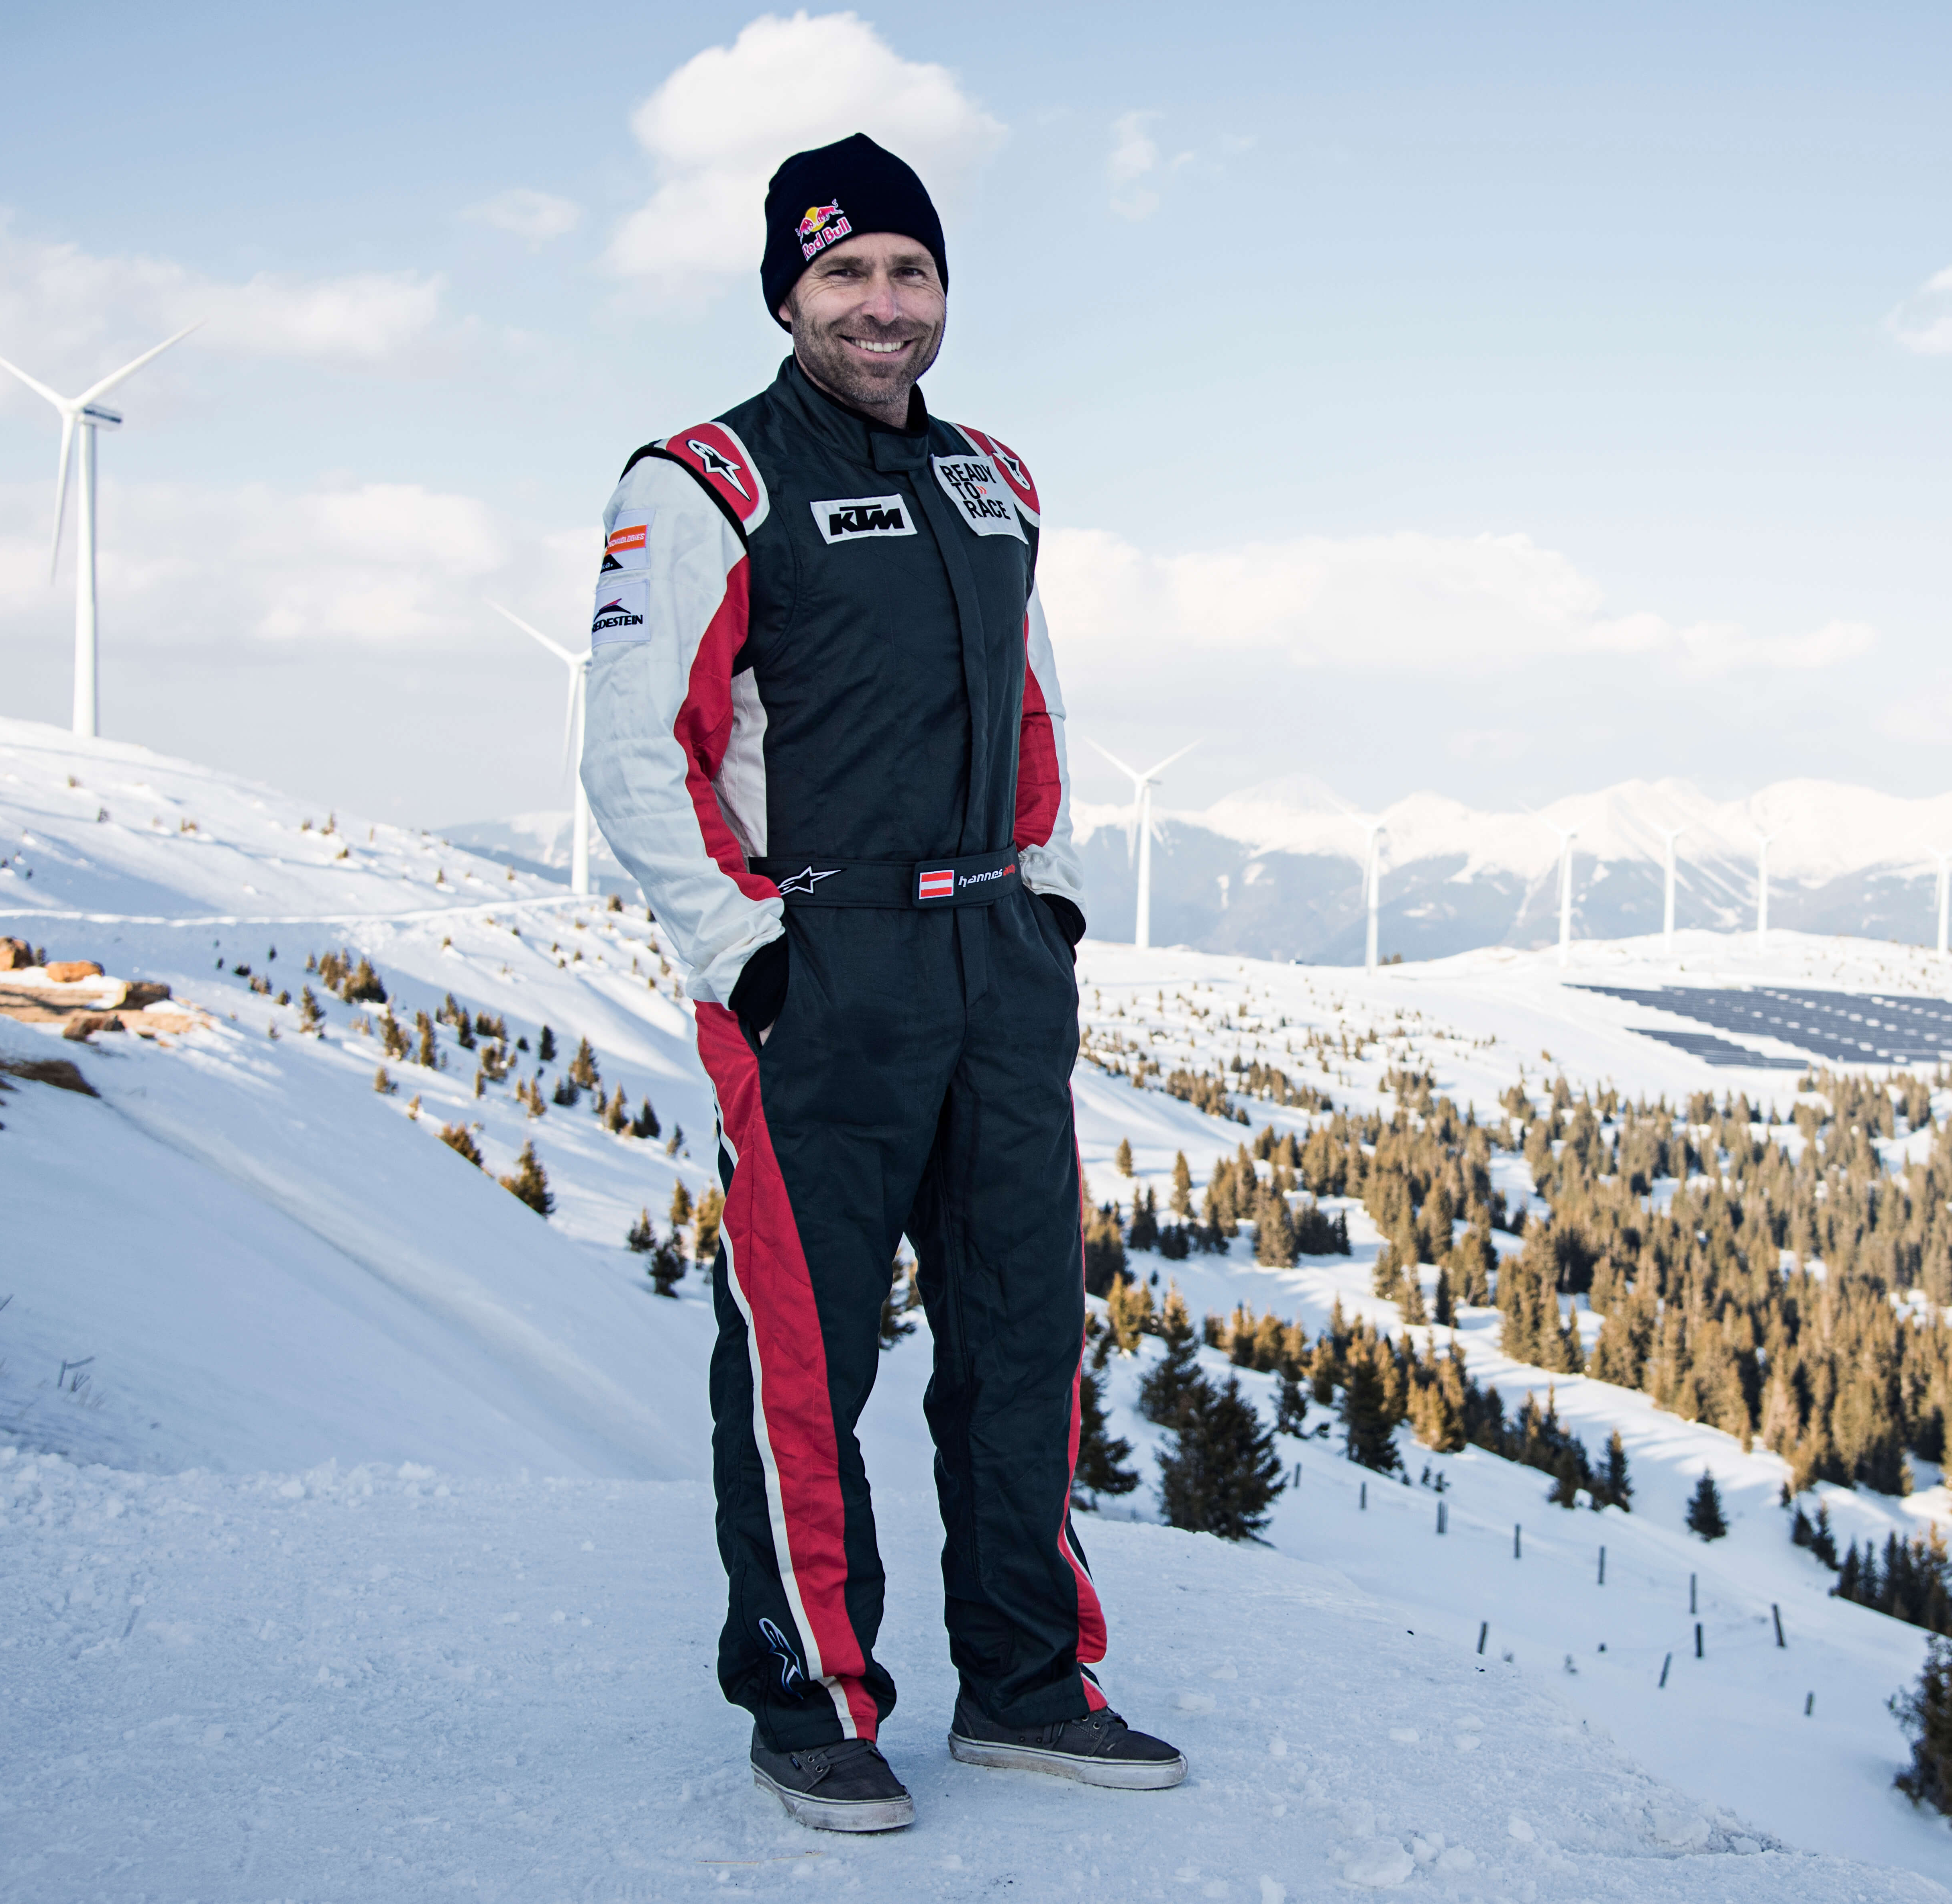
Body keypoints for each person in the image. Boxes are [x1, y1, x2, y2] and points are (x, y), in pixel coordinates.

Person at [579, 131, 1183, 1833]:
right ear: (788, 290)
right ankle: (815, 1701)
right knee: (804, 1356)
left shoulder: (997, 478)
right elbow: (643, 751)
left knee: (1020, 1338)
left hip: (996, 964)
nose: (880, 303)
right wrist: (747, 956)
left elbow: (1040, 718)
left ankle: (1028, 1683)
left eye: (908, 272)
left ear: (941, 293)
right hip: (823, 966)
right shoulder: (702, 482)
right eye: (843, 273)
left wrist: (1050, 914)